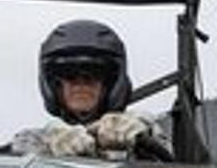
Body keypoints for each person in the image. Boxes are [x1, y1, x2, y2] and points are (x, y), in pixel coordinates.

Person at [10, 19, 164, 158]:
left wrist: (141, 134)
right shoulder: (34, 140)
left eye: (94, 73)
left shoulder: (138, 131)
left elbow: (168, 157)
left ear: (109, 84)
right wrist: (52, 143)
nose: (80, 83)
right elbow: (20, 154)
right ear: (55, 85)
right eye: (68, 73)